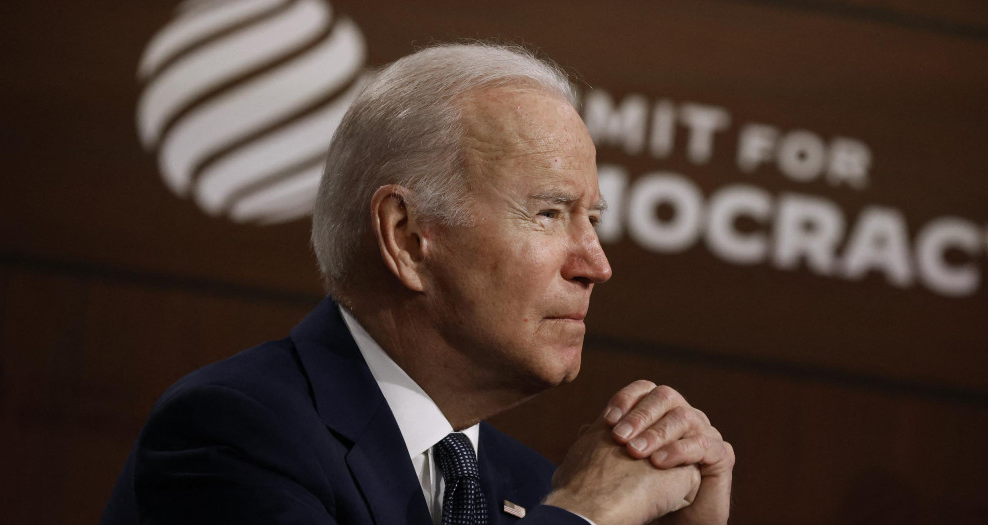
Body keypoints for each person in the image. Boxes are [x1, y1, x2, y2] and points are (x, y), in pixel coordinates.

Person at [102, 43, 734, 524]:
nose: (595, 264)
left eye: (591, 221)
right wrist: (583, 516)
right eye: (548, 213)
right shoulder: (234, 433)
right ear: (407, 237)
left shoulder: (529, 483)